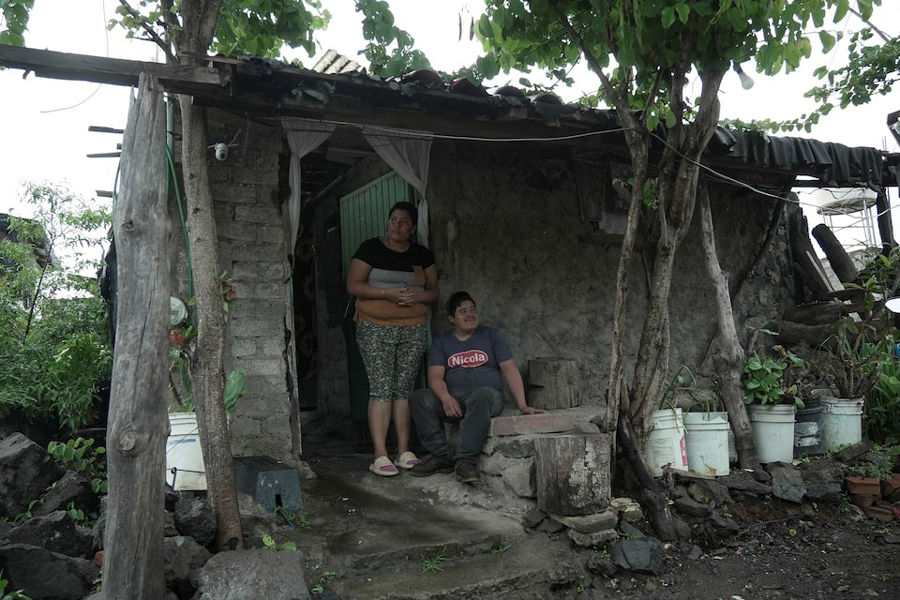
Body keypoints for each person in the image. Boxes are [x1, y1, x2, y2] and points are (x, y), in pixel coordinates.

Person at [409, 291, 545, 483]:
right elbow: (435, 377)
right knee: (419, 397)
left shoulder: (492, 336)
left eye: (472, 310)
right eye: (463, 311)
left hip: (488, 398)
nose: (470, 314)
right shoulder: (442, 343)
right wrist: (446, 398)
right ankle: (442, 456)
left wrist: (522, 405)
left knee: (481, 394)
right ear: (451, 319)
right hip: (454, 401)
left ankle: (465, 461)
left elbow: (510, 370)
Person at [346, 201, 439, 477]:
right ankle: (380, 454)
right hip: (375, 327)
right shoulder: (370, 248)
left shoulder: (422, 254)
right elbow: (353, 285)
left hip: (412, 327)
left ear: (412, 228)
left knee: (403, 389)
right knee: (382, 388)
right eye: (393, 220)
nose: (396, 225)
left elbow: (433, 291)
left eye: (403, 221)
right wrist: (388, 294)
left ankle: (404, 451)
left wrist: (419, 296)